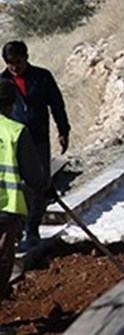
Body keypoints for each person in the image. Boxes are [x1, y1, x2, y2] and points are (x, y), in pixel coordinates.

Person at [1, 40, 69, 252]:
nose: (15, 67)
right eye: (10, 63)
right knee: (15, 188)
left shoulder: (42, 77)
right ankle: (16, 230)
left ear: (26, 58)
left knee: (39, 185)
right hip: (10, 141)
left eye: (18, 62)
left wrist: (63, 130)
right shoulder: (2, 83)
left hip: (38, 138)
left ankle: (32, 229)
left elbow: (57, 104)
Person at [0, 79, 45, 296]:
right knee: (2, 262)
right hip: (5, 209)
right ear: (12, 104)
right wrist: (43, 185)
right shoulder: (15, 132)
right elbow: (35, 177)